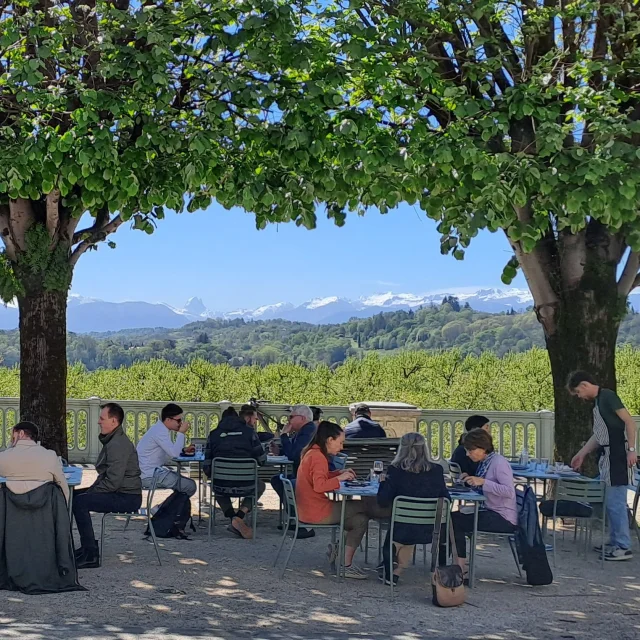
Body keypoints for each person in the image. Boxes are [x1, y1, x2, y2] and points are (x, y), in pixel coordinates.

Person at [567, 371, 637, 561]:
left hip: (617, 456)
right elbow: (599, 436)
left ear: (583, 385)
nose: (580, 397)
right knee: (606, 499)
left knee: (616, 502)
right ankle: (614, 540)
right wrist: (581, 454)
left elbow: (629, 422)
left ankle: (623, 545)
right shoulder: (598, 402)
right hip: (606, 456)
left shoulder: (608, 396)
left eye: (578, 393)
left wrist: (632, 449)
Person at [295, 421, 374, 579]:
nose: (342, 447)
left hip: (308, 508)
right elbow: (320, 486)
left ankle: (342, 559)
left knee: (360, 520)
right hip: (316, 511)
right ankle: (343, 561)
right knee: (364, 506)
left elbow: (319, 478)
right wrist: (341, 478)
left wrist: (338, 473)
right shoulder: (318, 457)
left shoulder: (311, 452)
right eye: (340, 442)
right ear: (329, 440)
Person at [73, 403, 142, 569]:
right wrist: (91, 491)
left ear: (114, 421)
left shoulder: (118, 444)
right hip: (121, 492)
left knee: (80, 502)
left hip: (127, 497)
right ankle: (86, 548)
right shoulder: (113, 440)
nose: (98, 422)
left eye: (102, 419)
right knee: (74, 496)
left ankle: (91, 554)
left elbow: (113, 482)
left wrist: (91, 492)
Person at [376, 432, 450, 586]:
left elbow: (383, 501)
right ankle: (396, 571)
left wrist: (383, 482)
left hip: (402, 527)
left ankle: (391, 569)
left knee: (400, 529)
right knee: (409, 528)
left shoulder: (395, 470)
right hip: (431, 528)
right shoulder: (436, 470)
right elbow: (446, 499)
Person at [451, 429, 518, 581]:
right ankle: (458, 564)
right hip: (489, 509)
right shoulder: (486, 462)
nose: (468, 454)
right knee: (451, 517)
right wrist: (468, 479)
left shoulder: (499, 463)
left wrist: (483, 482)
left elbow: (509, 491)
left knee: (455, 521)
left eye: (470, 450)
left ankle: (461, 568)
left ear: (481, 447)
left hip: (503, 516)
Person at [204, 404, 267, 539]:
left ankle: (232, 517)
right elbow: (262, 460)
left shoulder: (213, 435)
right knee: (260, 485)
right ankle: (240, 516)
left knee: (216, 483)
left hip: (222, 486)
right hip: (246, 485)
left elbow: (207, 466)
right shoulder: (250, 433)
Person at [269, 405, 317, 540]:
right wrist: (279, 451)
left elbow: (294, 455)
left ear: (302, 418)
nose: (288, 420)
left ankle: (306, 524)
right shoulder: (303, 431)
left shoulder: (309, 431)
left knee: (286, 482)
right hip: (301, 473)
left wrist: (284, 435)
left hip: (310, 476)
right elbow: (294, 451)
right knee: (278, 480)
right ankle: (295, 517)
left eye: (291, 417)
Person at [136, 403, 196, 498]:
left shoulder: (159, 429)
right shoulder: (159, 432)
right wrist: (181, 433)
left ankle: (164, 509)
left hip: (151, 473)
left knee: (183, 486)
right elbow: (174, 454)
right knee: (189, 486)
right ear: (168, 419)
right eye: (179, 420)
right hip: (149, 475)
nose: (181, 423)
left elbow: (169, 450)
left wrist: (184, 450)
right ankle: (163, 509)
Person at [0, 421, 69, 503]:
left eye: (13, 435)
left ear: (21, 433)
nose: (11, 439)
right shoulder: (50, 456)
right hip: (43, 511)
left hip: (11, 512)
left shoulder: (4, 457)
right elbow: (63, 486)